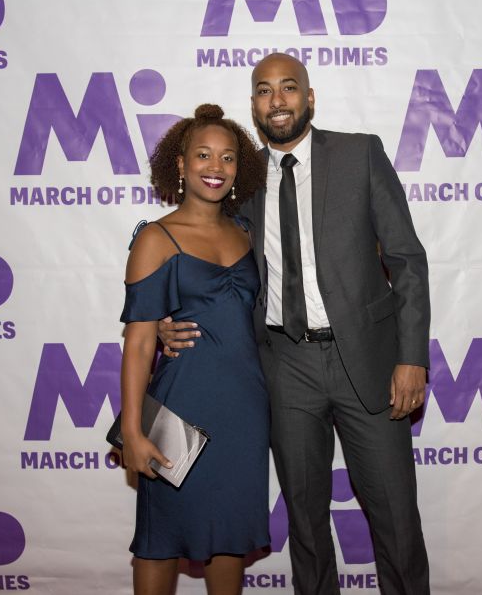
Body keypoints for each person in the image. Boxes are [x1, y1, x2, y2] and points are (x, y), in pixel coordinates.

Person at [162, 54, 431, 594]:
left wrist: (412, 358)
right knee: (305, 524)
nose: (277, 100)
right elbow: (207, 257)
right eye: (264, 90)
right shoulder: (242, 180)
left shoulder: (360, 154)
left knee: (396, 520)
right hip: (285, 366)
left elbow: (406, 260)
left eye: (289, 88)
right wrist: (168, 318)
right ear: (254, 104)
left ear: (310, 98)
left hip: (371, 364)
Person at [119, 103, 269, 595]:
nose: (215, 167)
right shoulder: (156, 239)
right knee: (161, 537)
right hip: (183, 406)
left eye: (227, 158)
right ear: (180, 165)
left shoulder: (246, 231)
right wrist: (135, 430)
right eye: (203, 155)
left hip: (244, 411)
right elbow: (139, 343)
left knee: (229, 538)